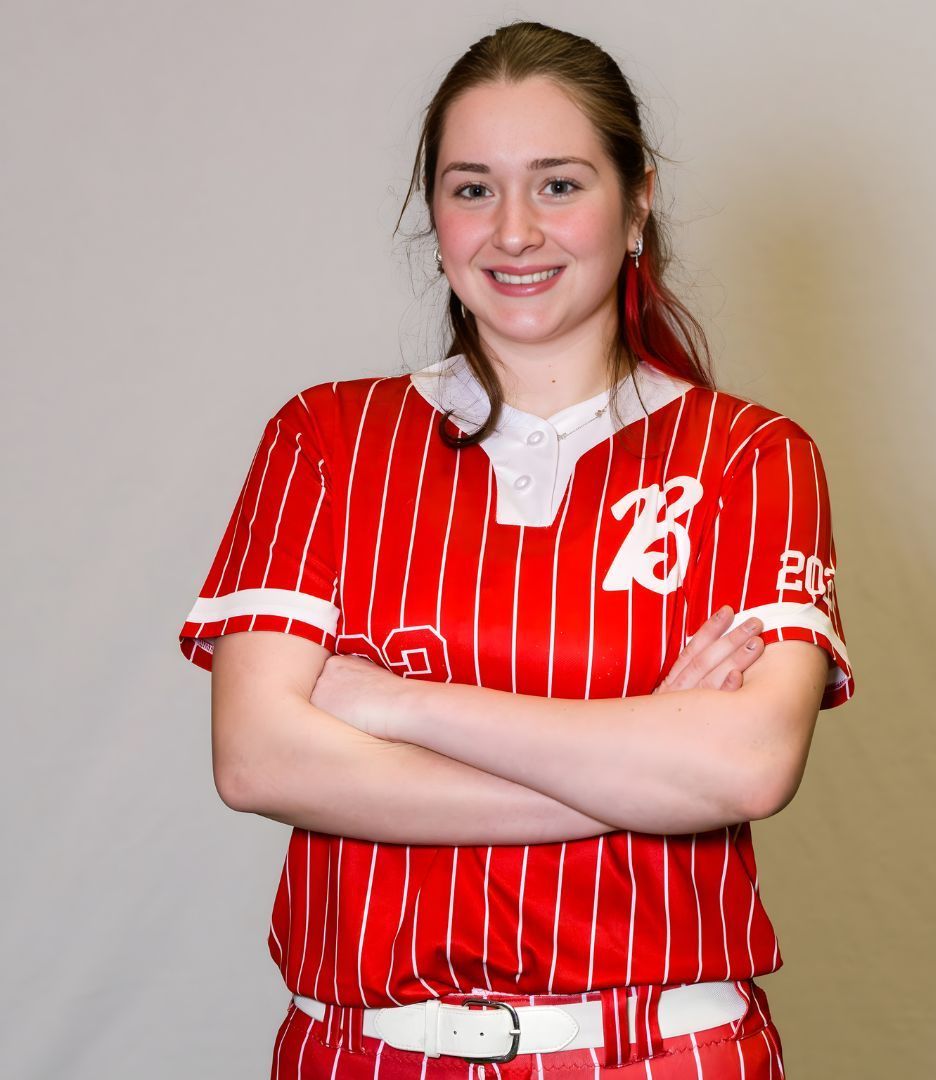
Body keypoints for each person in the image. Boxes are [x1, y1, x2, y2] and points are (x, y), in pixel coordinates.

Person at [178, 21, 854, 1079]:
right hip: (365, 1055)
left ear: (636, 203)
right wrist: (636, 767)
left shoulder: (751, 459)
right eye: (473, 188)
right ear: (435, 215)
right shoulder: (323, 440)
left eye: (559, 184)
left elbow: (748, 766)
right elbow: (258, 757)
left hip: (664, 1054)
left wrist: (399, 705)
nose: (514, 232)